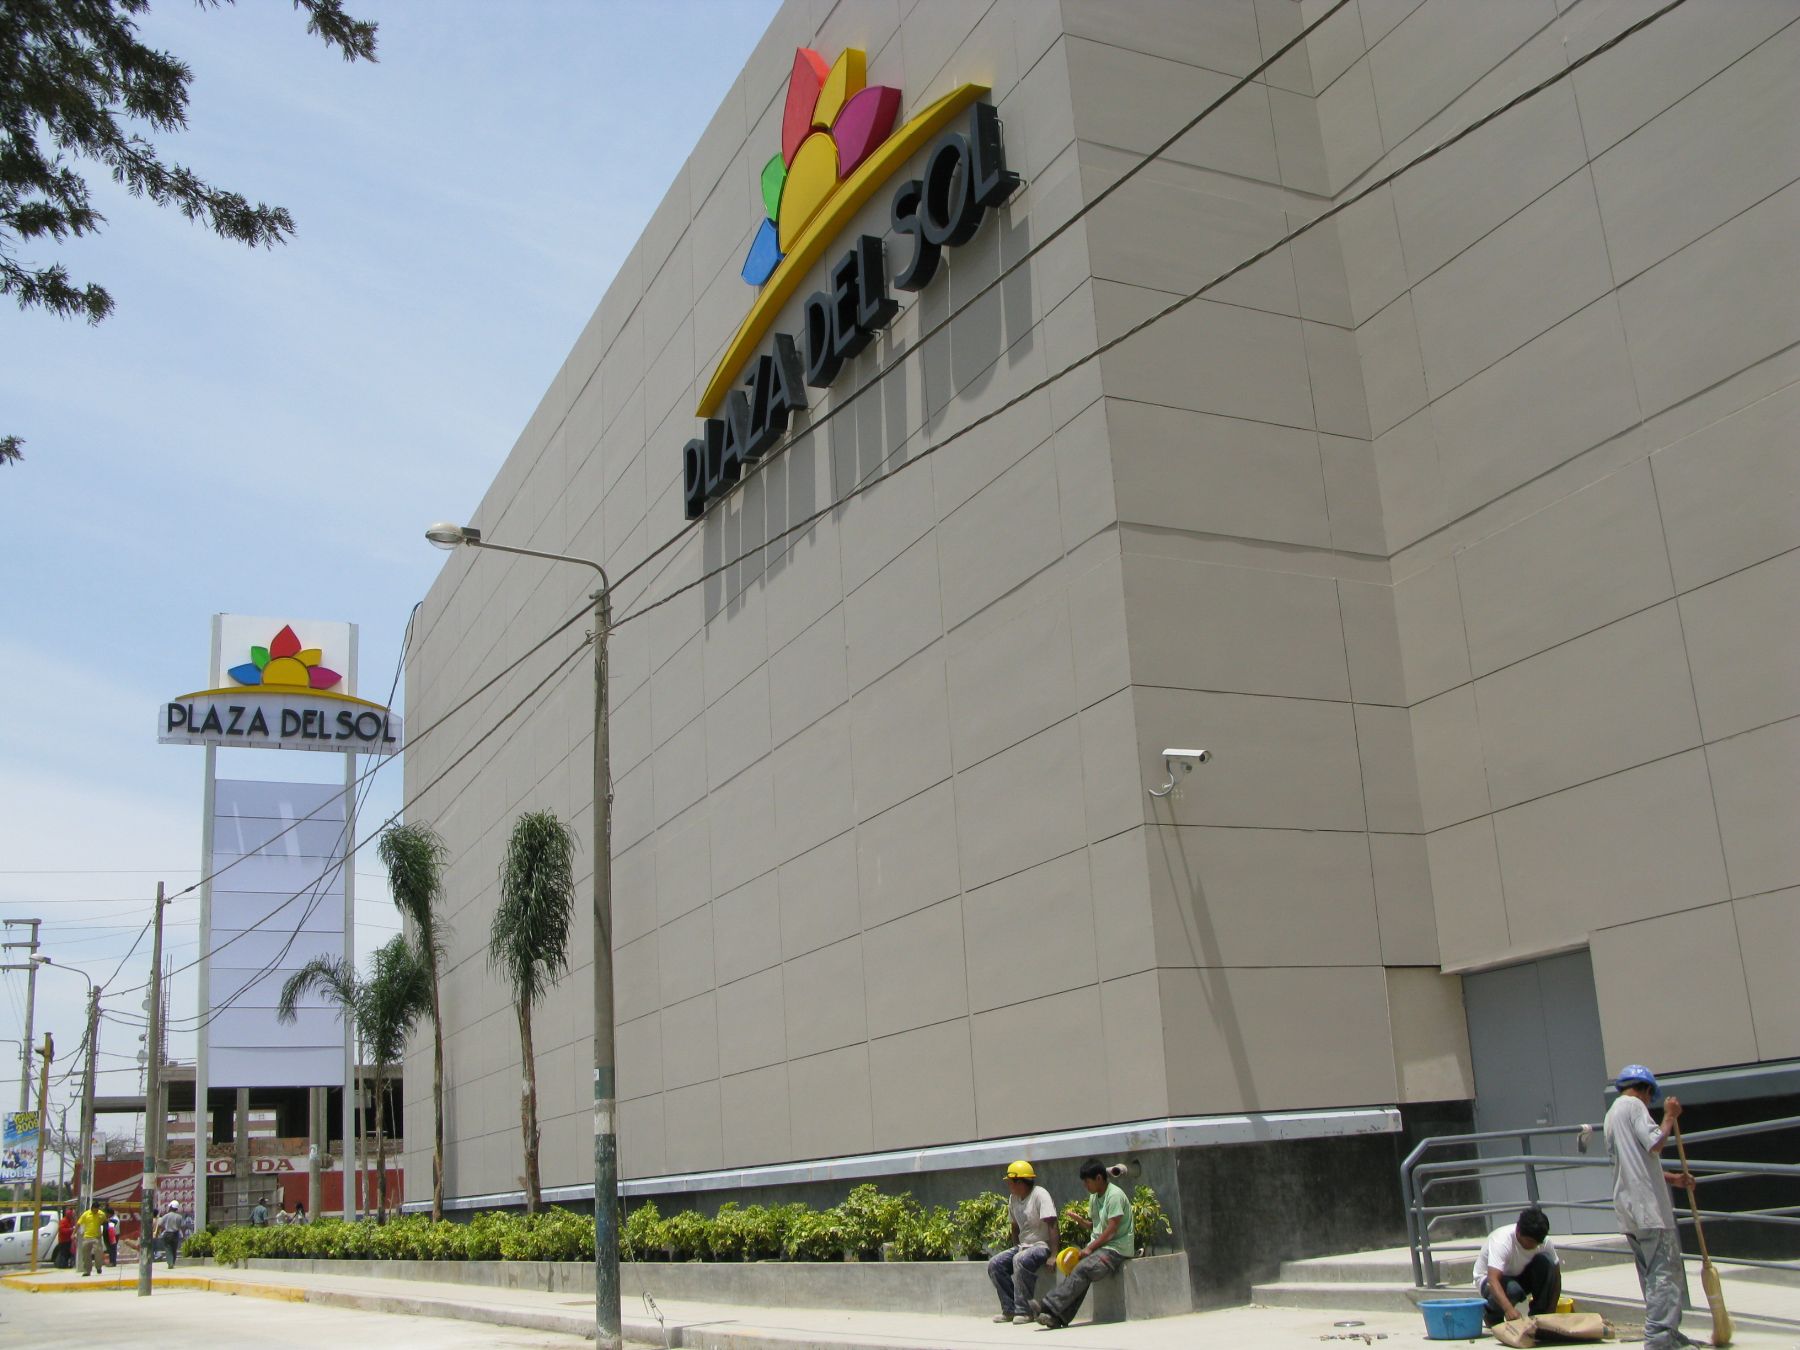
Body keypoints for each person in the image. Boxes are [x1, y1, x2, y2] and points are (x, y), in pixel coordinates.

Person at [1605, 1064, 1697, 1350]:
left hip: (1628, 1209)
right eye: (1649, 1096)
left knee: (1651, 1275)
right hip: (1648, 1209)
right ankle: (1659, 1339)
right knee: (1664, 1275)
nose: (1649, 1102)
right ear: (1645, 1090)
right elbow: (1655, 1143)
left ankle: (1668, 1333)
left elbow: (1634, 1163)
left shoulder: (1612, 1114)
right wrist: (1669, 1116)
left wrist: (1672, 1178)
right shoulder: (1634, 1106)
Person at [1032, 1159, 1134, 1329]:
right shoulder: (1094, 1197)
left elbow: (1111, 1230)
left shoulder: (1115, 1196)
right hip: (1101, 1248)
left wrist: (1089, 1248)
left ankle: (1047, 1306)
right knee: (1076, 1270)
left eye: (1087, 1181)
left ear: (1099, 1178)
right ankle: (1058, 1318)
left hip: (1116, 1249)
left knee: (1084, 1269)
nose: (1085, 1186)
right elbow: (1097, 1226)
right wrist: (1081, 1222)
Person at [986, 1160, 1058, 1324]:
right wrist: (1015, 1248)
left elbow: (1052, 1223)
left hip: (1041, 1245)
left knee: (1020, 1259)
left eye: (1010, 1182)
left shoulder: (1040, 1195)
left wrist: (1054, 1255)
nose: (1008, 1185)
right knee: (995, 1264)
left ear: (1020, 1182)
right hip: (1023, 1246)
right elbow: (1014, 1227)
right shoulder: (1013, 1198)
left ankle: (1025, 1311)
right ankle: (1009, 1309)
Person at [1474, 1206, 1561, 1325]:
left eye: (1538, 1243)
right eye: (1530, 1241)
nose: (1534, 1246)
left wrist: (1551, 1309)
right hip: (1489, 1281)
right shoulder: (1501, 1241)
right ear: (1519, 1232)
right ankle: (1492, 1316)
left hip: (1519, 1276)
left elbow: (1556, 1276)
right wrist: (1508, 1309)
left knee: (1546, 1262)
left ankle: (1539, 1317)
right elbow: (1492, 1280)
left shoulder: (1544, 1241)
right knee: (1513, 1289)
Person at [74, 1199, 107, 1276]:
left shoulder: (101, 1214)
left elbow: (105, 1222)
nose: (96, 1211)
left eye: (97, 1210)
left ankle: (98, 1267)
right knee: (86, 1255)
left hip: (97, 1237)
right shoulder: (86, 1214)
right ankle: (87, 1270)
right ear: (92, 1208)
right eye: (95, 1210)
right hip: (87, 1237)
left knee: (98, 1253)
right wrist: (73, 1233)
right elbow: (78, 1223)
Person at [158, 1201, 185, 1266]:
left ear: (171, 1207)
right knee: (174, 1249)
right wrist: (183, 1235)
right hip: (176, 1234)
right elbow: (182, 1227)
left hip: (167, 1234)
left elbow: (160, 1224)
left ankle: (170, 1263)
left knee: (168, 1248)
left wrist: (159, 1232)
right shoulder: (179, 1217)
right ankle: (173, 1262)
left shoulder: (166, 1216)